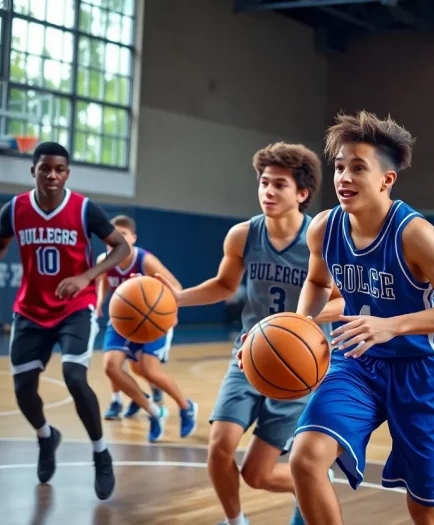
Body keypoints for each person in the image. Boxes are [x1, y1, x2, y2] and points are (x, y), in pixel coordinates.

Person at [282, 110, 434, 525]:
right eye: (340, 167)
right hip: (356, 362)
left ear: (387, 179)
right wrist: (293, 329)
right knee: (305, 458)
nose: (344, 177)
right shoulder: (324, 228)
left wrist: (392, 325)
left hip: (420, 370)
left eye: (358, 167)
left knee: (427, 513)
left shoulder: (414, 234)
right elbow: (316, 281)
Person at [157, 142, 343, 525]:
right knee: (219, 447)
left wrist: (297, 323)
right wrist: (178, 299)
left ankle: (307, 482)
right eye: (263, 183)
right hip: (249, 357)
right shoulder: (243, 235)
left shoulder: (320, 240)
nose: (268, 191)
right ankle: (235, 521)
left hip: (299, 368)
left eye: (279, 184)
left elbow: (344, 301)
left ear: (302, 193)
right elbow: (225, 285)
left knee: (256, 475)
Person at [0, 142, 128, 500]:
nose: (52, 174)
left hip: (75, 306)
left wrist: (88, 276)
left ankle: (101, 452)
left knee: (74, 375)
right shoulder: (15, 209)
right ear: (34, 171)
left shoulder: (85, 209)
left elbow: (121, 248)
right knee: (24, 388)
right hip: (30, 309)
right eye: (45, 168)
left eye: (59, 169)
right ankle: (46, 436)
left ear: (67, 173)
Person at [97, 215, 197, 442]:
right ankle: (153, 411)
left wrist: (172, 313)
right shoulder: (105, 260)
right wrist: (100, 302)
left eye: (122, 234)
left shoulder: (145, 260)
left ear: (133, 238)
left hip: (153, 318)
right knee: (111, 366)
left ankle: (185, 406)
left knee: (146, 370)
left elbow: (176, 286)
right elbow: (103, 281)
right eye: (113, 235)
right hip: (122, 320)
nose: (117, 239)